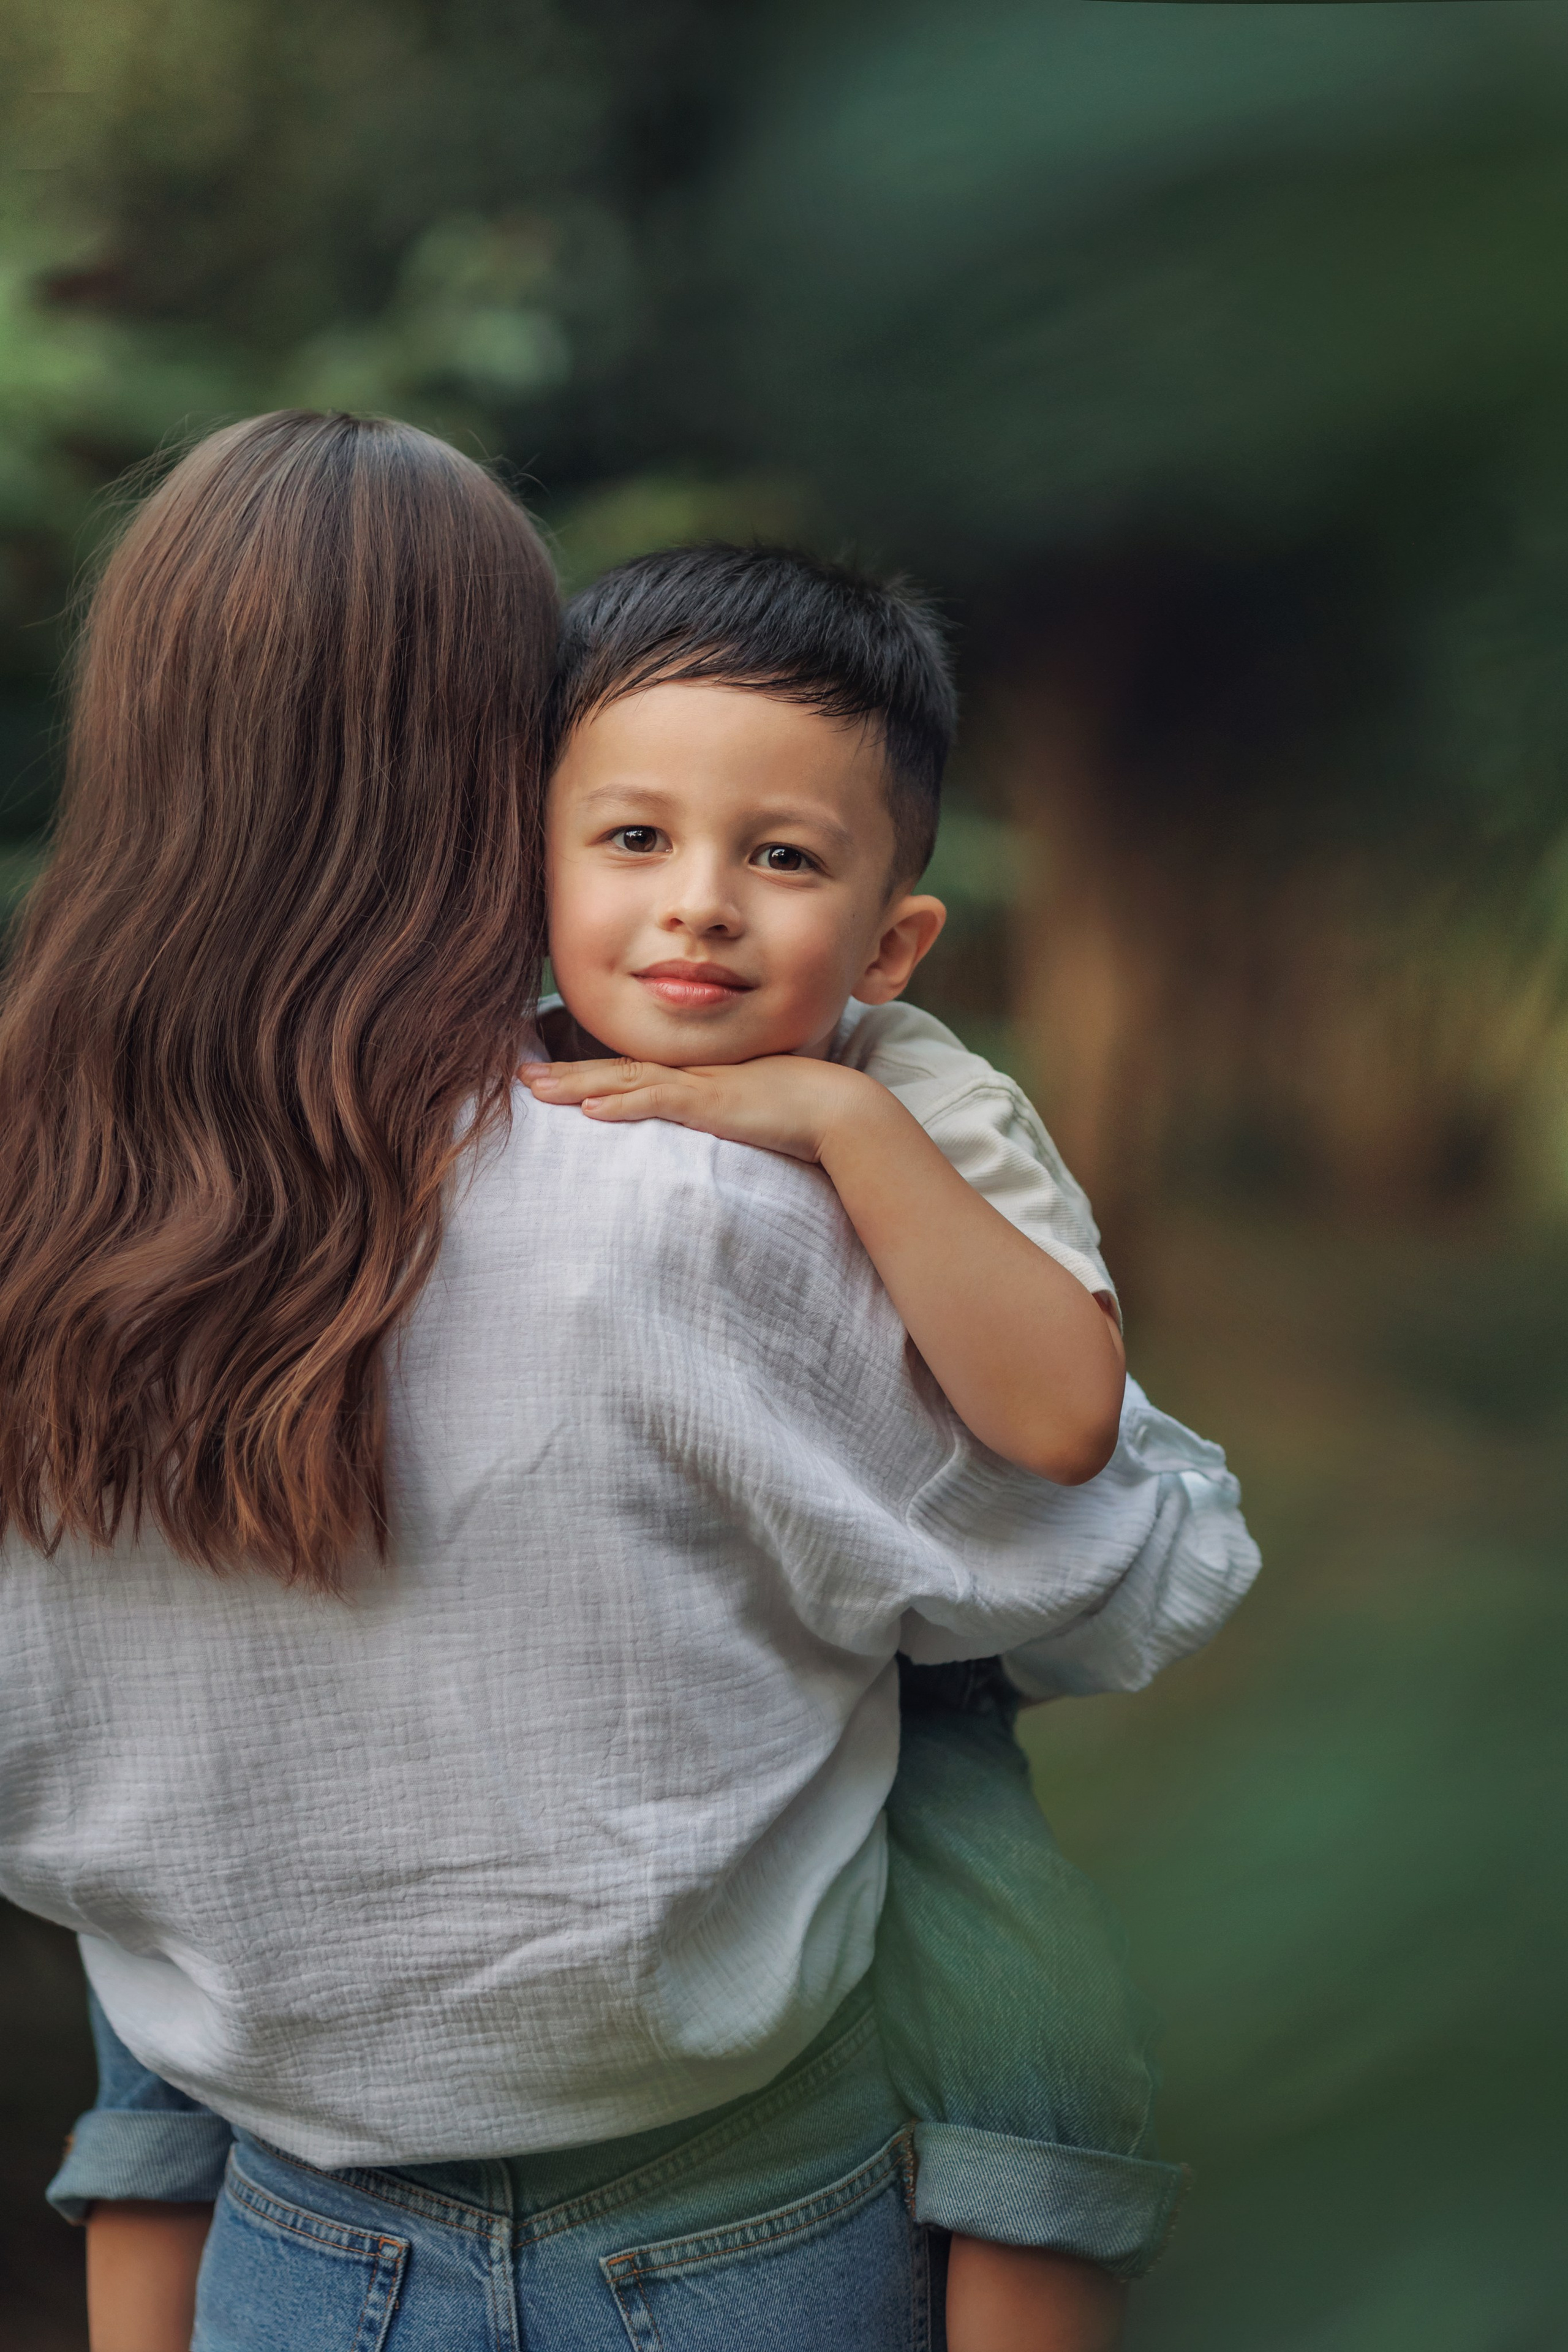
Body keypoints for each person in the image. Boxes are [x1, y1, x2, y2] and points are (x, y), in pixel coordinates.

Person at [0, 417, 1256, 2352]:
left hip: (285, 2240)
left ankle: (1042, 2199)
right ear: (505, 786)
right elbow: (1111, 1554)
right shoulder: (680, 1201)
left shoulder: (56, 1213)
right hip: (725, 2224)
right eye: (633, 832)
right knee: (952, 1778)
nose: (697, 905)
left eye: (773, 855)